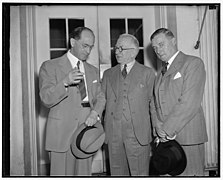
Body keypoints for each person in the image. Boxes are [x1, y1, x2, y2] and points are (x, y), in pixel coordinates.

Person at [39, 27, 105, 176]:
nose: (88, 51)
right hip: (61, 131)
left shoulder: (93, 70)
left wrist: (95, 113)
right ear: (73, 42)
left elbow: (101, 97)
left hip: (86, 131)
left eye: (91, 47)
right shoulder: (50, 66)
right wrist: (65, 82)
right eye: (85, 46)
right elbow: (46, 98)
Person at [150, 28, 208, 176]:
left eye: (161, 44)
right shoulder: (159, 74)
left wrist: (166, 129)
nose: (158, 50)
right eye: (155, 48)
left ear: (173, 41)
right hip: (165, 141)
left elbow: (189, 103)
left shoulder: (193, 63)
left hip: (188, 137)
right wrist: (157, 126)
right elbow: (154, 104)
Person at [101, 34, 155, 176]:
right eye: (116, 48)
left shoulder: (147, 73)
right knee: (117, 172)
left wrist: (157, 128)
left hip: (138, 133)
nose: (117, 51)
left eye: (121, 48)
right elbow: (101, 100)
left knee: (140, 173)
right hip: (113, 133)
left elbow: (153, 104)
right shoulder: (108, 74)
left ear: (134, 52)